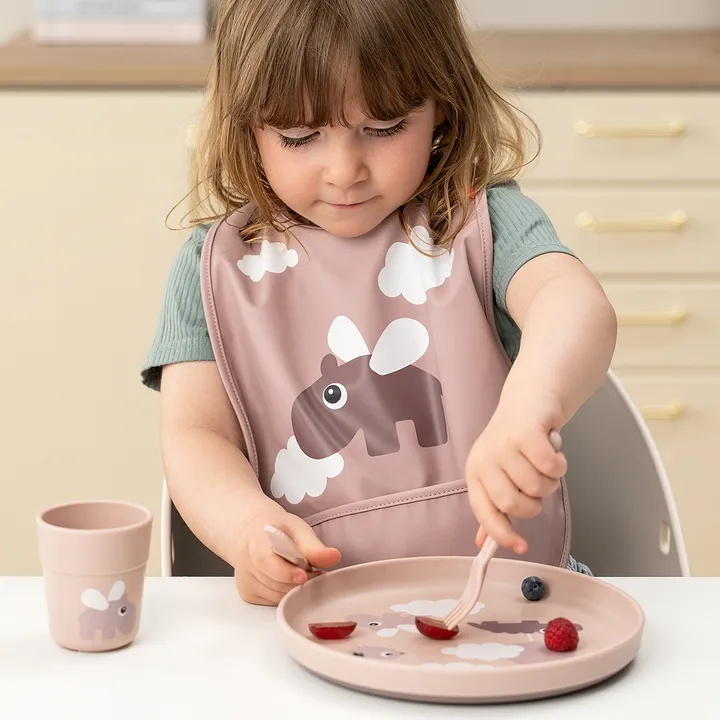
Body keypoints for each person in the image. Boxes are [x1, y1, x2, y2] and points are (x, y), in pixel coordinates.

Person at [142, 0, 616, 605]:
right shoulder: (212, 270)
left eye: (385, 127)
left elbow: (572, 302)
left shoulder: (485, 222)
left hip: (510, 603)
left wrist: (530, 404)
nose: (344, 171)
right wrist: (246, 528)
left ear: (442, 104)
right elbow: (196, 436)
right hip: (317, 615)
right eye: (299, 137)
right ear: (247, 129)